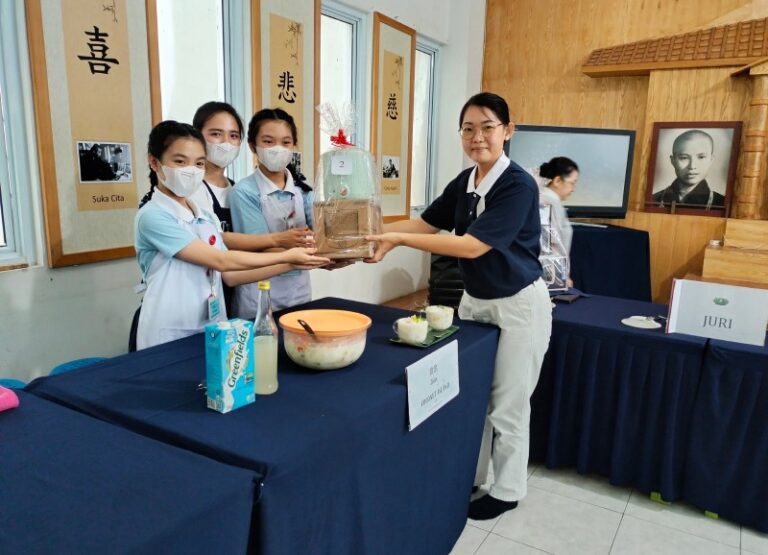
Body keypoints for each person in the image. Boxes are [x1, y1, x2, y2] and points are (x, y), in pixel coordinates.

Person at [366, 92, 552, 520]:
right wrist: (373, 233)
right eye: (468, 129)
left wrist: (397, 240)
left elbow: (471, 246)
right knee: (474, 395)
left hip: (517, 303)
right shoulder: (465, 181)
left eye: (488, 127)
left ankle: (508, 490)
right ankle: (472, 475)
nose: (477, 137)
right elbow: (425, 223)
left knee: (508, 402)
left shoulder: (517, 184)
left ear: (508, 131)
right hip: (475, 300)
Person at [134, 120, 329, 350]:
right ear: (154, 162)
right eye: (180, 161)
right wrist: (287, 255)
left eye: (199, 163)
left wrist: (294, 263)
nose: (191, 170)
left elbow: (231, 276)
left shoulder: (205, 216)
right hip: (169, 333)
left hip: (214, 327)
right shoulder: (153, 216)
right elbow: (221, 260)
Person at [190, 101, 314, 313]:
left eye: (233, 135)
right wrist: (296, 250)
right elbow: (222, 239)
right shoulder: (232, 191)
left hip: (246, 286)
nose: (225, 143)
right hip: (218, 286)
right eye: (216, 134)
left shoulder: (232, 186)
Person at [229, 108, 316, 314]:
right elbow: (257, 246)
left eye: (286, 142)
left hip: (299, 293)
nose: (278, 148)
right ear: (253, 146)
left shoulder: (303, 191)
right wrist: (313, 253)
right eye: (268, 141)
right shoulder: (244, 191)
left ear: (293, 146)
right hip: (259, 295)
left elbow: (322, 235)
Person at [530, 156, 579, 288]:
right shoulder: (549, 202)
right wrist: (560, 277)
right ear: (557, 180)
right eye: (572, 183)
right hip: (546, 278)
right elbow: (549, 244)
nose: (573, 188)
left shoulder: (543, 198)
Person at [652, 129, 725, 210]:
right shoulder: (654, 200)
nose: (692, 166)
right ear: (673, 161)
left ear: (711, 160)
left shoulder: (721, 203)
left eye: (701, 157)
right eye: (684, 158)